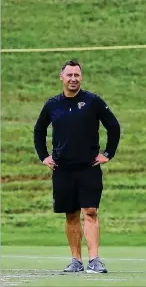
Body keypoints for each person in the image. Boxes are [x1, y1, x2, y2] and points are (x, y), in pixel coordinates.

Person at [34, 60, 120, 273]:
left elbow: (113, 126)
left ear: (81, 78)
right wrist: (44, 156)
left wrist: (108, 154)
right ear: (61, 77)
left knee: (90, 211)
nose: (73, 79)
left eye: (77, 75)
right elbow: (39, 130)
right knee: (71, 214)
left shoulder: (92, 101)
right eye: (69, 75)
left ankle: (94, 260)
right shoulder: (52, 104)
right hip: (62, 169)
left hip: (88, 167)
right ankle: (76, 261)